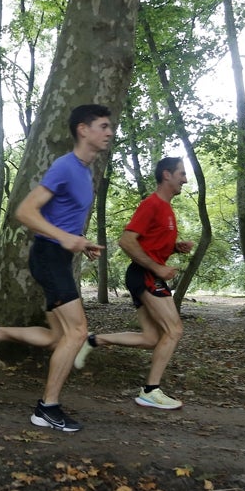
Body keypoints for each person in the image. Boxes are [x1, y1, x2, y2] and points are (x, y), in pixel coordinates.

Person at [0, 104, 114, 433]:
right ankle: (47, 408)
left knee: (58, 337)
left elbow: (62, 219)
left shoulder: (86, 172)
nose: (109, 131)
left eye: (109, 126)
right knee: (77, 333)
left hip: (58, 257)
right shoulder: (65, 166)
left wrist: (79, 241)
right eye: (102, 126)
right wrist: (64, 238)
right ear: (83, 130)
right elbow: (25, 211)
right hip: (47, 256)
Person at [73, 156, 194, 410]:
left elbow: (150, 245)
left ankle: (94, 340)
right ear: (166, 175)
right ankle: (150, 391)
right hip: (146, 275)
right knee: (174, 330)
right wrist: (157, 267)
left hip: (146, 274)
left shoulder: (167, 208)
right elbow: (127, 241)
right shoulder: (151, 204)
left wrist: (174, 248)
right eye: (181, 173)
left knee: (152, 338)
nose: (185, 178)